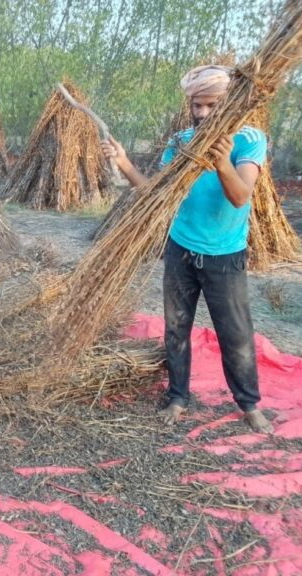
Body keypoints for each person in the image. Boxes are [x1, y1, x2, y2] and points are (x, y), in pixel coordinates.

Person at [101, 65, 274, 434]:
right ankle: (178, 396)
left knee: (235, 333)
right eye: (198, 105)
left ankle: (248, 404)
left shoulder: (249, 140)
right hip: (180, 251)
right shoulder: (181, 141)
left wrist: (221, 160)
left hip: (225, 256)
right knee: (176, 329)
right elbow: (156, 193)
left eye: (212, 106)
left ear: (230, 106)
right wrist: (124, 162)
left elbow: (240, 196)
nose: (203, 114)